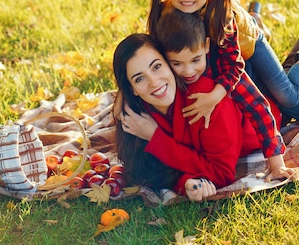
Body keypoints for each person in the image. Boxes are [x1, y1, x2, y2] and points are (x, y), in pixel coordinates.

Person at [113, 33, 291, 203]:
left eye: (157, 66)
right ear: (132, 89)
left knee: (291, 88)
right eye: (139, 79)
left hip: (271, 102)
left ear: (168, 63)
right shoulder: (139, 116)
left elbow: (220, 173)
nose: (154, 82)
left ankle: (254, 22)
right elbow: (158, 172)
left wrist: (155, 138)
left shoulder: (205, 99)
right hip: (226, 75)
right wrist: (187, 183)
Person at [147, 0, 299, 127]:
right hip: (223, 48)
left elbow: (233, 65)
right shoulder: (167, 13)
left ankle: (261, 28)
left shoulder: (221, 17)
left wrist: (214, 96)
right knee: (266, 91)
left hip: (248, 42)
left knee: (288, 101)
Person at [156, 8, 294, 180]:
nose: (188, 71)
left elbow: (259, 109)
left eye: (196, 60)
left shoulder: (225, 75)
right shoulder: (166, 75)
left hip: (267, 115)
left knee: (290, 91)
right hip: (239, 73)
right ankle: (255, 19)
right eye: (177, 63)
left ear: (206, 46)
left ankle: (254, 23)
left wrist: (277, 165)